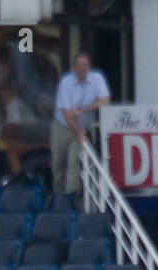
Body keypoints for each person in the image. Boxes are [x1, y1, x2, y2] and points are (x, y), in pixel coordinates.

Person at [52, 52, 111, 198]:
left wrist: (83, 110)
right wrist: (79, 133)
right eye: (79, 65)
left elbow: (105, 101)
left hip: (82, 128)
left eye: (84, 65)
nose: (82, 68)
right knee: (58, 165)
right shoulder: (65, 83)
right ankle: (59, 198)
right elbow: (67, 115)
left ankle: (70, 200)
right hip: (62, 127)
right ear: (73, 67)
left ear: (89, 67)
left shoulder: (96, 78)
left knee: (74, 164)